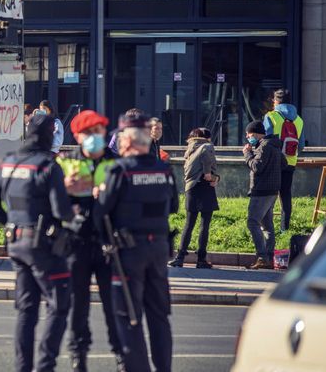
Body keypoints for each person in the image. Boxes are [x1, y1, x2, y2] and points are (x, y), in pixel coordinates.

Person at [0, 113, 75, 372]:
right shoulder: (48, 165)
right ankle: (45, 366)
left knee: (26, 310)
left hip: (16, 244)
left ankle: (22, 368)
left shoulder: (10, 161)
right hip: (42, 246)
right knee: (59, 305)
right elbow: (62, 211)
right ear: (48, 135)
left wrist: (10, 222)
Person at [95, 113, 178, 372]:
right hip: (159, 250)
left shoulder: (118, 170)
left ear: (128, 140)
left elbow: (100, 215)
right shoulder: (163, 169)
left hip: (128, 253)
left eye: (120, 138)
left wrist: (99, 195)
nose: (118, 142)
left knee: (129, 317)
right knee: (159, 316)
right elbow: (173, 205)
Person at [55, 110, 124, 372]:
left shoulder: (115, 163)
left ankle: (120, 354)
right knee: (78, 306)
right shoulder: (65, 163)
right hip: (76, 243)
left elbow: (126, 202)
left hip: (108, 244)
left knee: (113, 304)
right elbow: (53, 203)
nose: (96, 137)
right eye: (90, 132)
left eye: (99, 131)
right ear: (77, 136)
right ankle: (78, 356)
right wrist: (65, 189)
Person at [170, 128, 219, 269]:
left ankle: (180, 258)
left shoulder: (190, 149)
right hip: (205, 187)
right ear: (206, 137)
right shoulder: (207, 146)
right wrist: (211, 175)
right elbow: (208, 171)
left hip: (191, 188)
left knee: (189, 223)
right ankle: (201, 259)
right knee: (204, 225)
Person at [243, 120, 285, 270]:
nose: (248, 138)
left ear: (254, 133)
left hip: (261, 191)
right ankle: (268, 257)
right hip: (272, 190)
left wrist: (248, 154)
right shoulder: (274, 145)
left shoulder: (264, 146)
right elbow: (284, 163)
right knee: (267, 225)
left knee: (252, 222)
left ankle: (262, 256)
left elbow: (256, 167)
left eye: (248, 135)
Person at [264, 88, 304, 232]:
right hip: (290, 161)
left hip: (274, 161)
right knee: (285, 193)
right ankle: (284, 228)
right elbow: (302, 145)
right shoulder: (299, 120)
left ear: (276, 101)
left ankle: (267, 227)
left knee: (269, 193)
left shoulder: (271, 116)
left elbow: (266, 140)